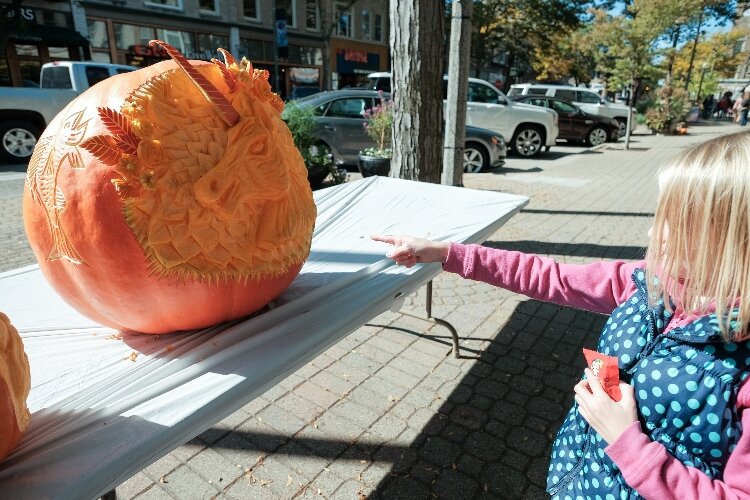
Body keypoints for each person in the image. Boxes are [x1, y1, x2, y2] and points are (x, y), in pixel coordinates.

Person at [372, 132, 750, 499]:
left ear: (732, 238)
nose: (653, 232)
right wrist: (447, 253)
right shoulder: (648, 281)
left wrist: (627, 442)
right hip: (581, 477)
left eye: (675, 222)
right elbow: (549, 276)